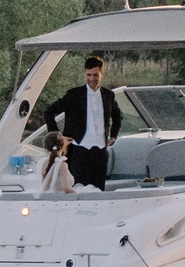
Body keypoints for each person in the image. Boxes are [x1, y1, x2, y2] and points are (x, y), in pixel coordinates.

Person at [42, 55, 124, 191]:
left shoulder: (108, 95)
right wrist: (58, 137)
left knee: (99, 191)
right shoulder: (74, 94)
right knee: (78, 189)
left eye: (95, 75)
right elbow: (49, 112)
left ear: (101, 74)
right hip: (79, 150)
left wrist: (113, 136)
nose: (92, 78)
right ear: (85, 74)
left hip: (100, 152)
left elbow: (117, 116)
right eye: (88, 75)